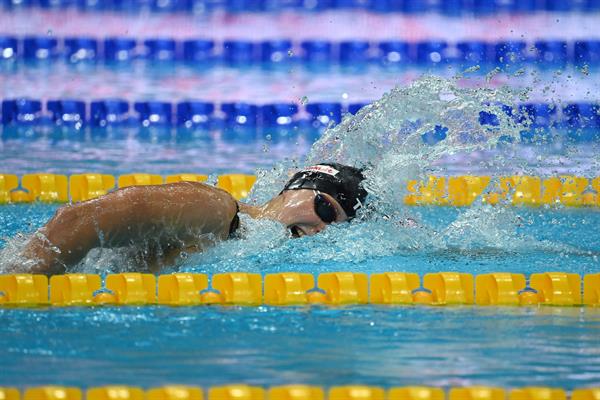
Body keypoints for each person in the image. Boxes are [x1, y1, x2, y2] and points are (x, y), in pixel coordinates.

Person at [11, 163, 368, 275]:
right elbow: (81, 219)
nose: (321, 228)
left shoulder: (238, 246)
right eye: (324, 208)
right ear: (292, 189)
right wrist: (22, 285)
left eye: (333, 227)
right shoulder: (216, 210)